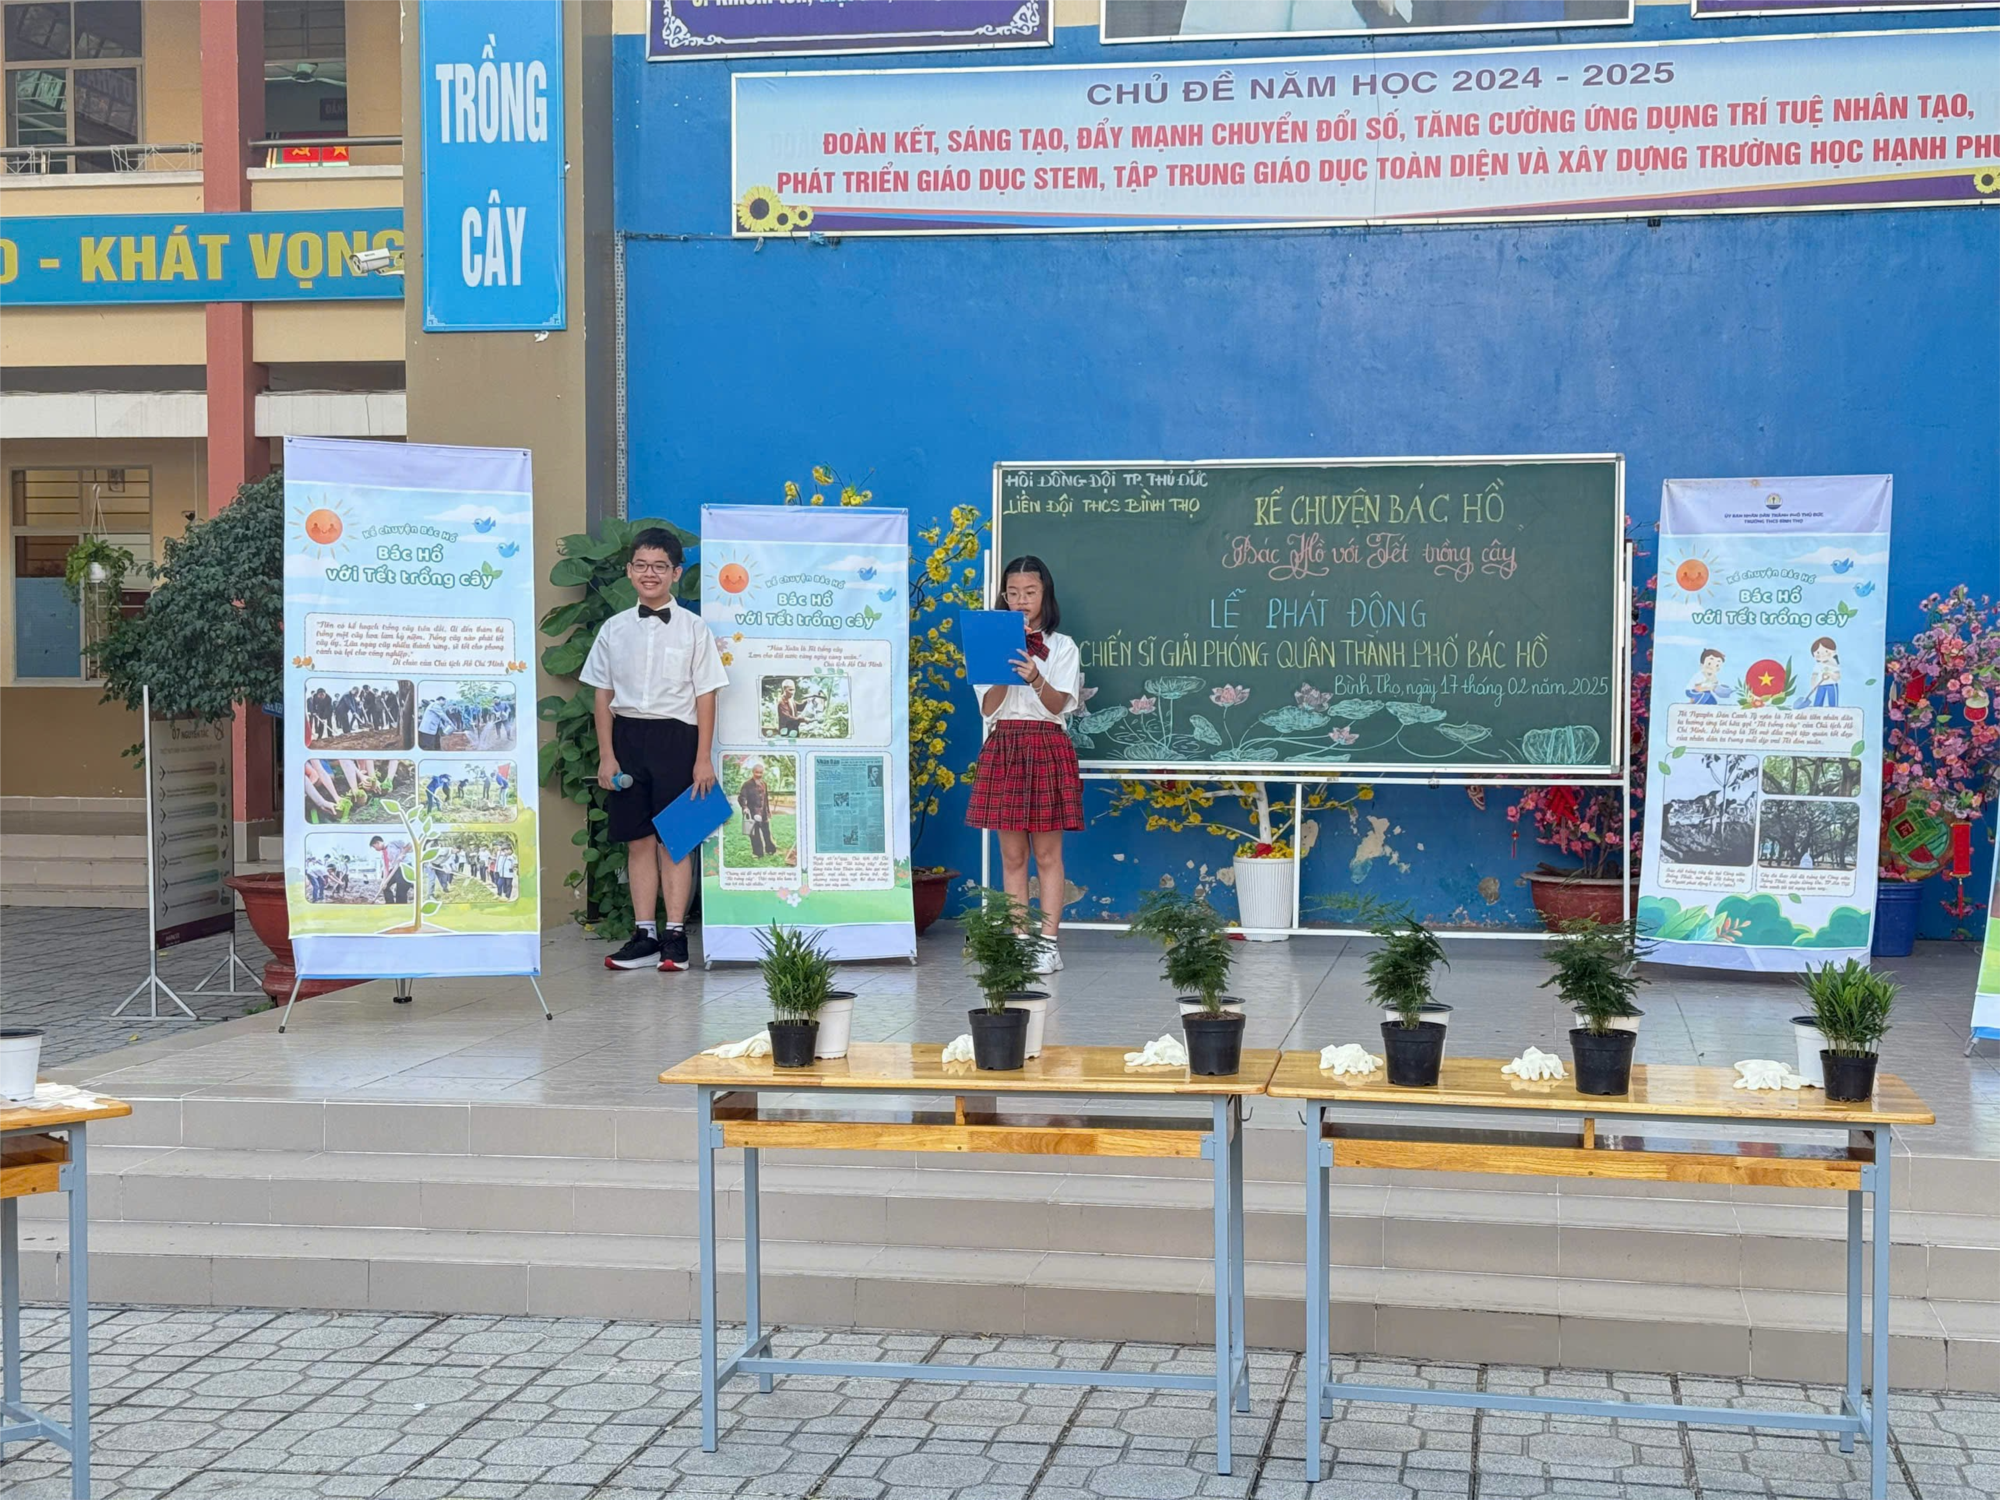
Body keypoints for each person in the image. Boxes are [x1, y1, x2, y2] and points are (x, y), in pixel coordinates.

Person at [583, 527, 729, 972]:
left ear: (676, 573)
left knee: (676, 840)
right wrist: (607, 754)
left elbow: (706, 694)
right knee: (638, 840)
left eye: (660, 567)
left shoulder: (694, 629)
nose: (650, 574)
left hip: (677, 739)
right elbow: (603, 694)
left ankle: (675, 936)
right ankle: (644, 934)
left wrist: (702, 757)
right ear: (630, 571)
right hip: (628, 738)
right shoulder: (613, 629)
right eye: (642, 565)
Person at [965, 555, 1083, 974]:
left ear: (1045, 594)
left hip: (1046, 743)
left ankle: (1048, 944)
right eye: (1013, 593)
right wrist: (1003, 664)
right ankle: (1020, 939)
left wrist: (1034, 675)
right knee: (1012, 856)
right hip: (1006, 744)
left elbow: (1057, 705)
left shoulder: (1063, 646)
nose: (1021, 601)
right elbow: (989, 709)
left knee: (1048, 855)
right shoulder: (987, 644)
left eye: (1030, 592)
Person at [739, 759, 775, 859]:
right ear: (753, 772)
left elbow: (765, 799)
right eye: (757, 772)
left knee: (766, 832)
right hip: (752, 813)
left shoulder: (764, 784)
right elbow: (742, 797)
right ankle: (758, 853)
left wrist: (768, 811)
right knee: (755, 835)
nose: (759, 774)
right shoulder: (747, 784)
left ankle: (770, 850)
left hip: (763, 814)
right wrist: (745, 807)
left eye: (761, 772)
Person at [1802, 636, 1841, 707]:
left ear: (1834, 652)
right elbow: (1814, 675)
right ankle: (1816, 711)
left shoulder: (1833, 664)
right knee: (1818, 701)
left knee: (1833, 702)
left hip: (1832, 685)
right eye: (1818, 652)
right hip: (1820, 685)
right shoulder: (1818, 665)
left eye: (1826, 651)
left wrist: (1831, 675)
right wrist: (1813, 684)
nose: (1822, 654)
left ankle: (1834, 711)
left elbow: (1837, 676)